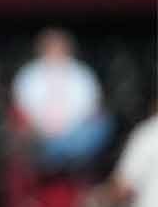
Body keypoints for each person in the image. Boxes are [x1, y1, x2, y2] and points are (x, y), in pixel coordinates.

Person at [11, 28, 112, 175]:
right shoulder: (28, 75)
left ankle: (69, 163)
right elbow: (22, 109)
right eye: (51, 47)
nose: (56, 51)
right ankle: (57, 162)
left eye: (60, 47)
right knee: (27, 137)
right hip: (40, 134)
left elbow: (92, 107)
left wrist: (68, 126)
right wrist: (42, 128)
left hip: (77, 133)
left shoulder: (82, 73)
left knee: (103, 124)